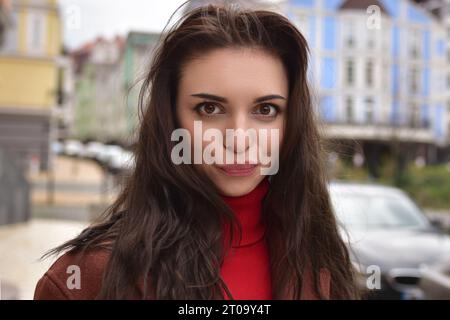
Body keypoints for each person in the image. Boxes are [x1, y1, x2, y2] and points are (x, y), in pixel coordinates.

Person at [34, 3, 359, 300]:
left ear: (291, 124)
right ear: (171, 119)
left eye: (265, 110)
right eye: (210, 108)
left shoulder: (323, 260)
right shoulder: (84, 280)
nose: (239, 139)